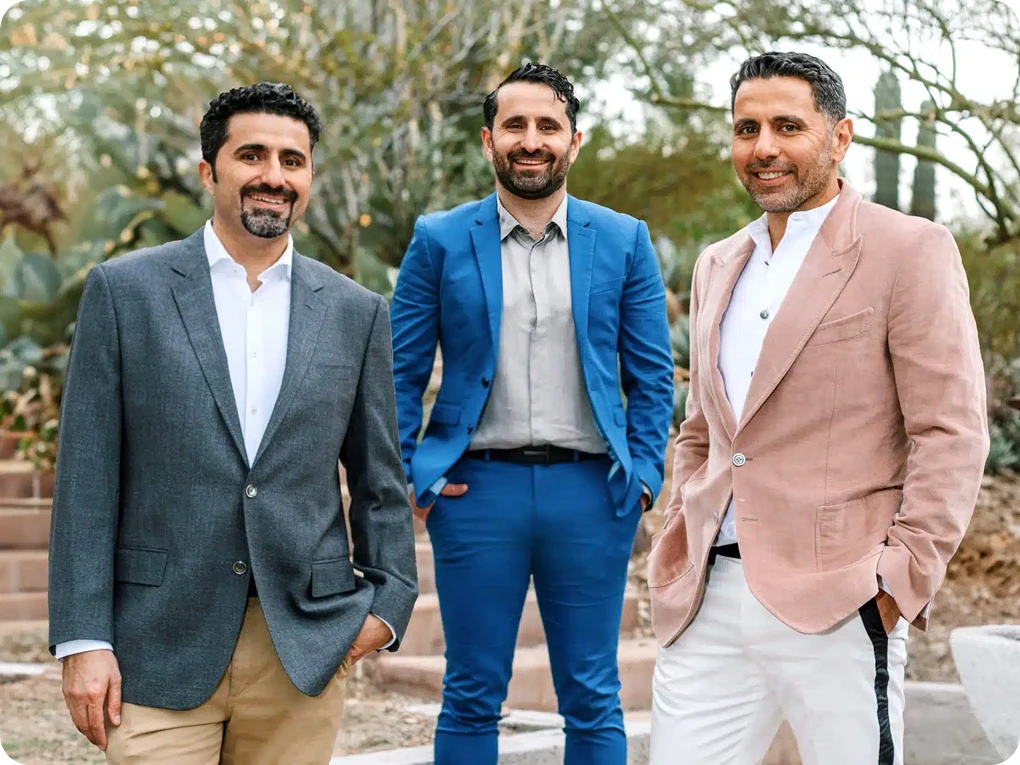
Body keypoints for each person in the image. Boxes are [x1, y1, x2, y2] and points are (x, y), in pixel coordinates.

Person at [48, 82, 418, 765]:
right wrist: (82, 638)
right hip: (156, 645)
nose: (273, 176)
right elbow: (86, 478)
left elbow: (380, 477)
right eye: (251, 155)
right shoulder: (124, 291)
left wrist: (387, 606)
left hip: (301, 649)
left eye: (292, 160)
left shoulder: (355, 311)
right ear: (208, 171)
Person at [647, 51, 989, 765]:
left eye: (786, 126)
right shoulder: (718, 262)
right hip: (709, 599)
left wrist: (899, 579)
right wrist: (678, 532)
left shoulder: (909, 249)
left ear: (840, 138)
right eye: (746, 128)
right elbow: (703, 431)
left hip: (841, 598)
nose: (763, 147)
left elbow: (950, 431)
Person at [389, 63, 674, 765]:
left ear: (574, 140)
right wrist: (407, 475)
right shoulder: (440, 238)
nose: (531, 139)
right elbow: (395, 371)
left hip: (591, 492)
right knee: (472, 689)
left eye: (547, 125)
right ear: (489, 140)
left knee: (592, 691)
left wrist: (643, 475)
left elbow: (653, 374)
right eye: (515, 125)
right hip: (475, 491)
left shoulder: (624, 239)